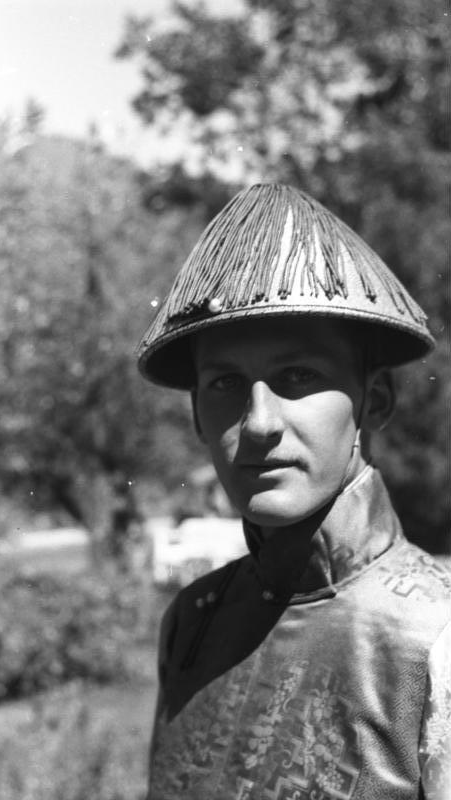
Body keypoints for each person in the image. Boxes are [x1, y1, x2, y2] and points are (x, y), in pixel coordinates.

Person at [137, 184, 450, 799]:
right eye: (225, 382)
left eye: (297, 376)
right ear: (197, 416)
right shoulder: (193, 623)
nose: (258, 422)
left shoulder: (436, 636)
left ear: (374, 401)